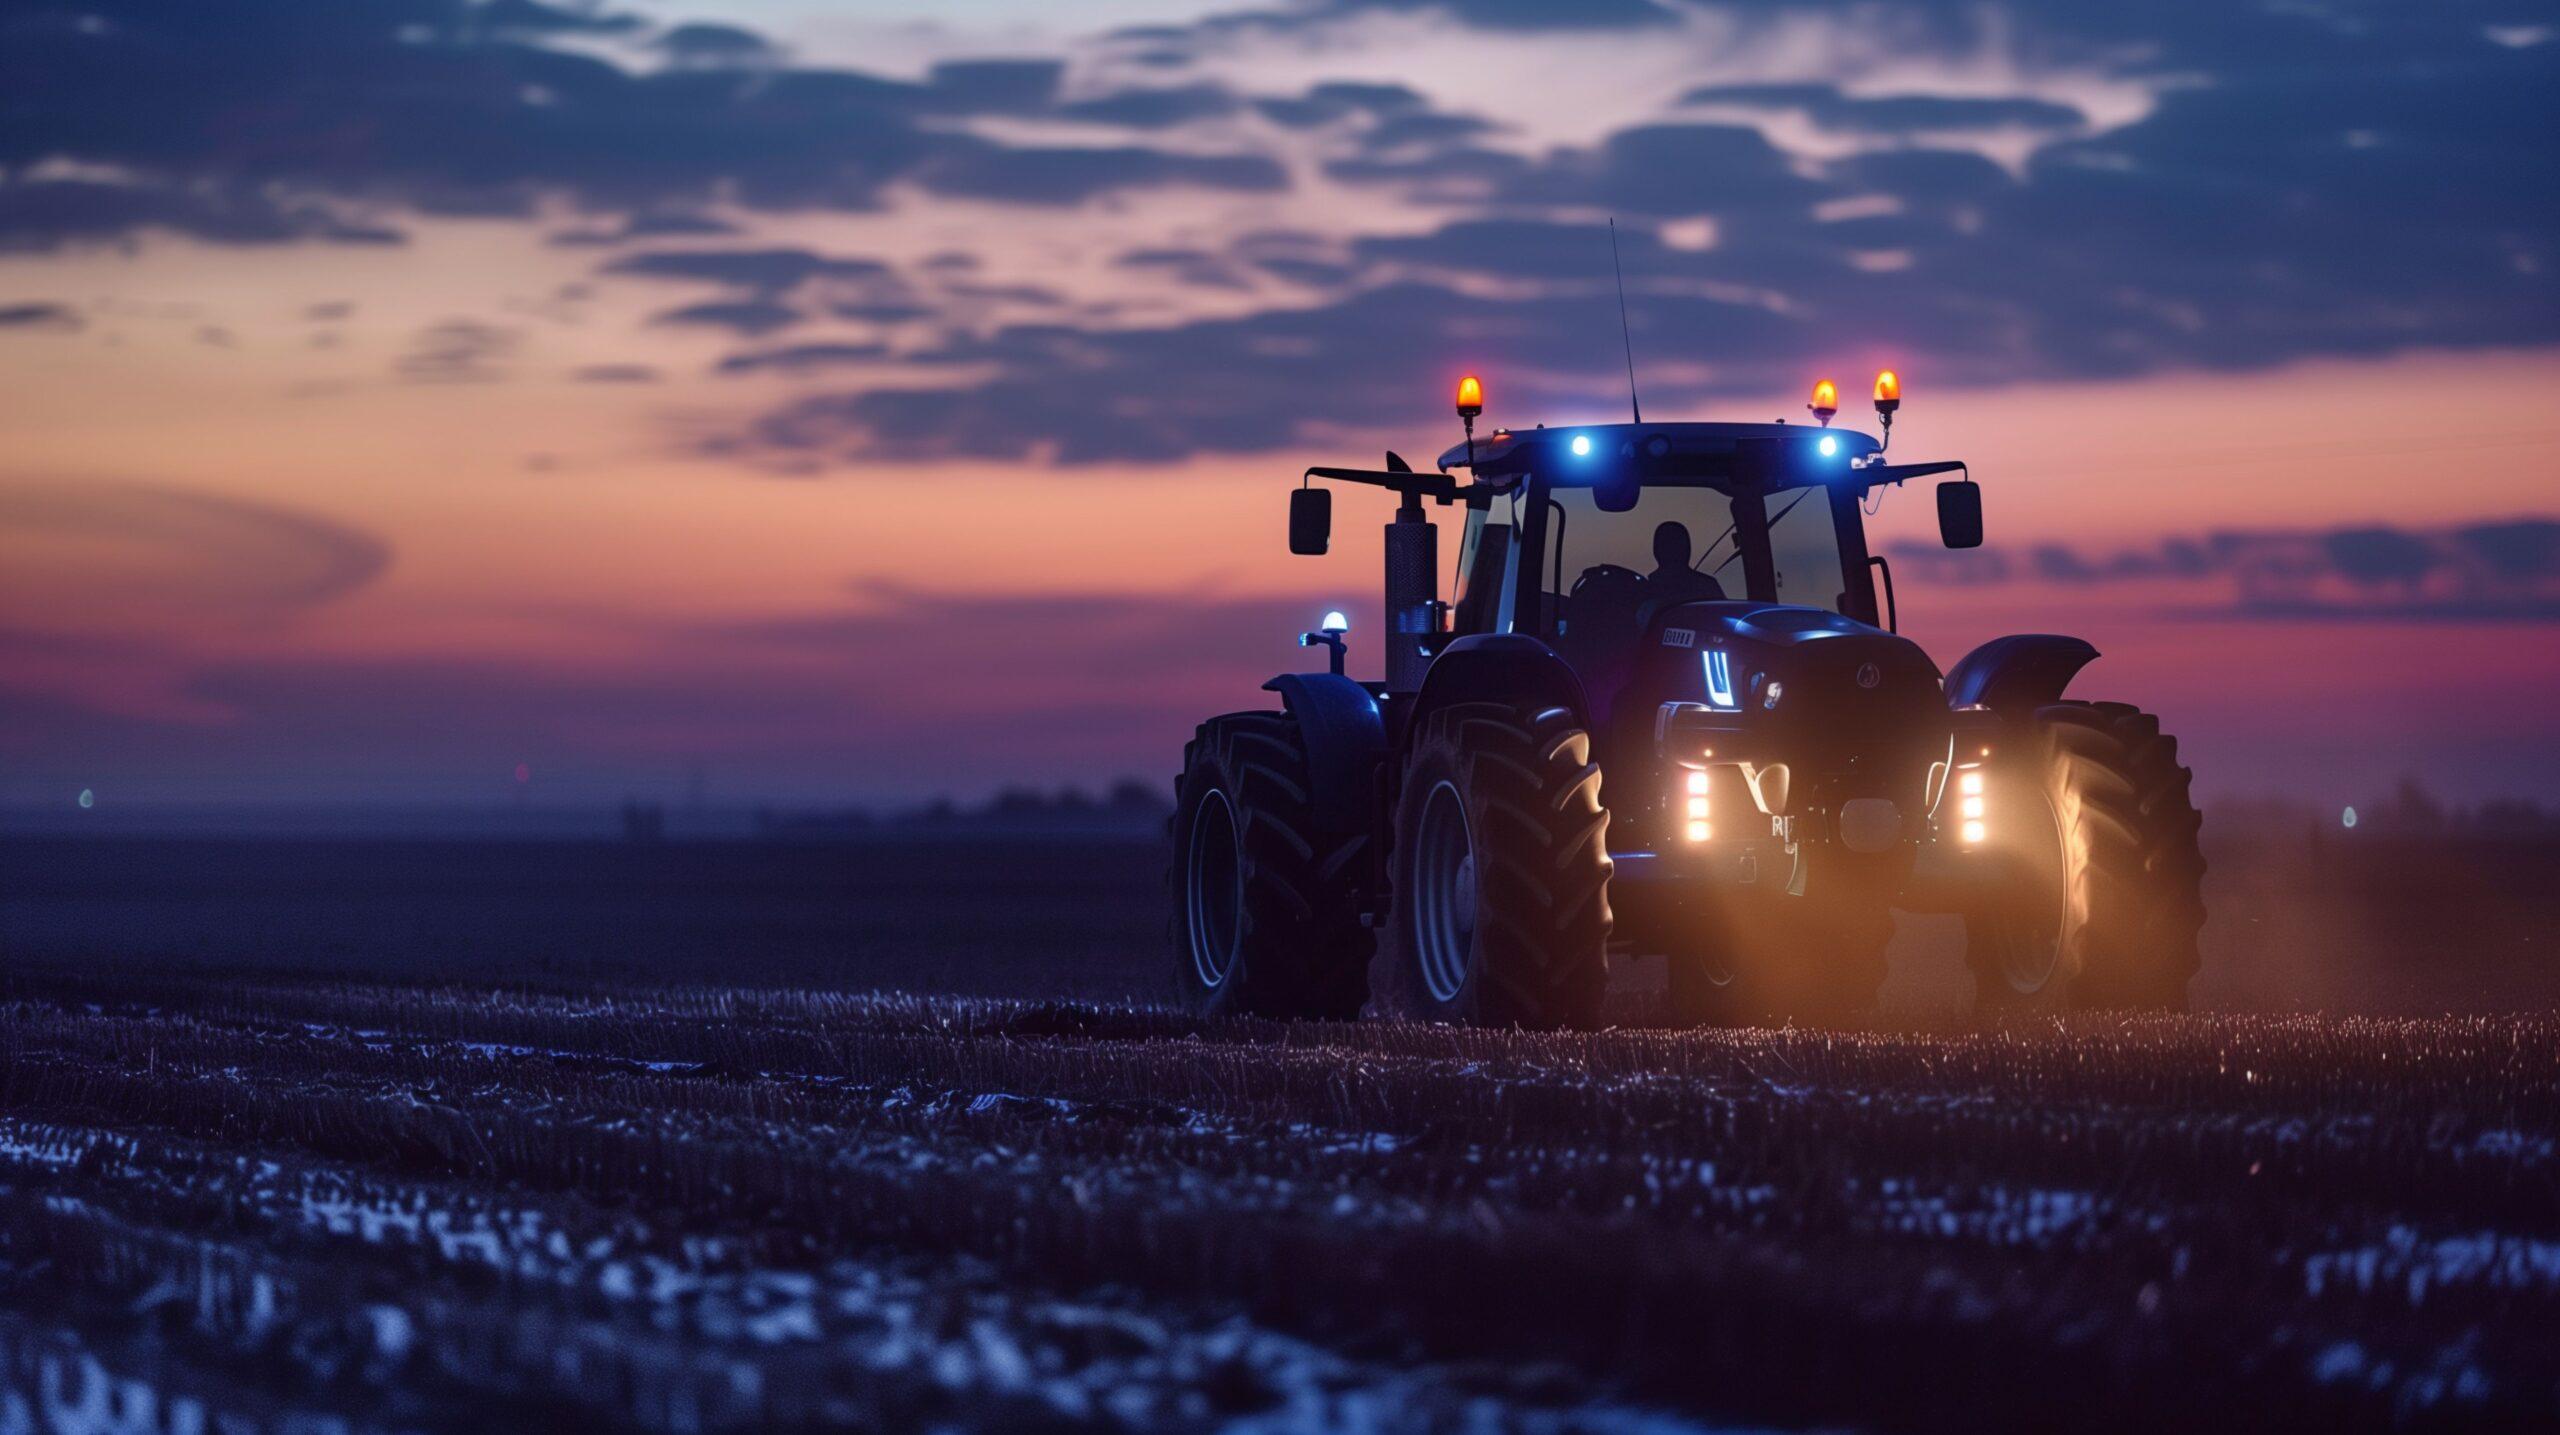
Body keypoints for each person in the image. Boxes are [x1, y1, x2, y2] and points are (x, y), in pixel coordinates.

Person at [1645, 521, 1726, 607]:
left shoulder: (1706, 585)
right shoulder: (1647, 590)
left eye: (1676, 543)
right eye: (1667, 544)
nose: (1672, 550)